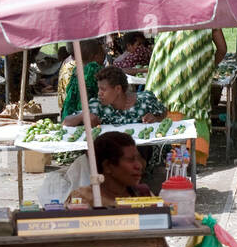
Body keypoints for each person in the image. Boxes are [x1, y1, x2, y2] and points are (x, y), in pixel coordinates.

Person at [146, 27, 226, 166]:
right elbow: (222, 49)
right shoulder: (209, 15)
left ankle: (174, 168)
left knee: (170, 124)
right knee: (187, 126)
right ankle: (179, 169)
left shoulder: (169, 12)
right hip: (193, 83)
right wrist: (206, 67)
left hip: (165, 80)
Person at [63, 66, 165, 127]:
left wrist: (156, 119)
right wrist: (82, 116)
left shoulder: (145, 100)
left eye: (103, 89)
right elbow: (65, 122)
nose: (99, 93)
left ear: (118, 89)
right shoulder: (97, 105)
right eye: (99, 89)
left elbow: (164, 113)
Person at [60, 38, 107, 120]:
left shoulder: (77, 69)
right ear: (95, 56)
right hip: (87, 114)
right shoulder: (93, 68)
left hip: (71, 114)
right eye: (103, 54)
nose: (105, 56)